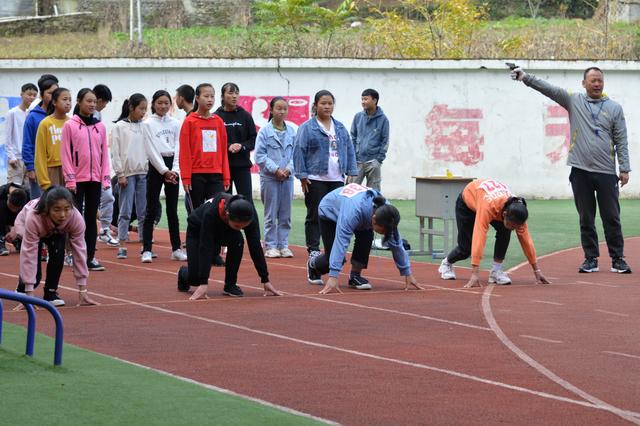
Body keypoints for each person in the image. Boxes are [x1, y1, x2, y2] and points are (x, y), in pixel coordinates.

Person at [511, 65, 631, 274]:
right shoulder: (574, 101)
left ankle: (618, 259)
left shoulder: (614, 108)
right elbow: (549, 89)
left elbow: (621, 139)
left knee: (611, 217)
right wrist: (525, 77)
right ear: (583, 83)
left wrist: (625, 168)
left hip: (606, 172)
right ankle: (590, 259)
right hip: (580, 171)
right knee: (586, 217)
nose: (596, 84)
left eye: (599, 80)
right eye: (592, 80)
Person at [306, 183, 421, 294]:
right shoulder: (352, 212)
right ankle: (313, 264)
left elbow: (396, 243)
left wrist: (407, 272)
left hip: (360, 213)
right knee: (334, 258)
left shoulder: (387, 212)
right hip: (329, 212)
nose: (384, 234)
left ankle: (355, 276)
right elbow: (341, 242)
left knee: (366, 239)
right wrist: (333, 276)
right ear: (374, 219)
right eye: (382, 231)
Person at [293, 90, 358, 283]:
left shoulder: (339, 127)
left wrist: (352, 172)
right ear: (315, 105)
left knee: (337, 217)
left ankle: (332, 251)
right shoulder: (307, 127)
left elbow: (349, 149)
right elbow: (299, 150)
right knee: (315, 215)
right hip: (315, 178)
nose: (327, 106)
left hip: (337, 178)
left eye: (330, 103)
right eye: (323, 103)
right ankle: (313, 252)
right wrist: (302, 176)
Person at [437, 178, 551, 288]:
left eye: (515, 227)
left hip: (493, 203)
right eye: (512, 225)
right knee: (466, 248)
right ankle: (446, 263)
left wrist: (536, 270)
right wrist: (475, 274)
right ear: (505, 214)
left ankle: (496, 271)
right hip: (468, 203)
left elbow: (526, 240)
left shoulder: (517, 212)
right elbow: (479, 234)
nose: (513, 229)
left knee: (505, 231)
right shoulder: (489, 207)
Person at [178, 193, 282, 299]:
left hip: (225, 228)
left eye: (243, 226)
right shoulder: (211, 213)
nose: (240, 228)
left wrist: (265, 279)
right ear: (228, 215)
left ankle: (230, 285)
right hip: (197, 230)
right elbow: (206, 247)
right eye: (237, 225)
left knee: (238, 241)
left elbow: (255, 246)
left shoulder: (250, 215)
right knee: (196, 279)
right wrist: (204, 283)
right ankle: (184, 273)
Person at [9, 186, 98, 307]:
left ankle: (50, 292)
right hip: (27, 225)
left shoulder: (75, 218)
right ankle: (22, 289)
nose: (62, 215)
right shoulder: (33, 216)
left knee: (58, 252)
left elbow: (80, 251)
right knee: (35, 266)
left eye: (67, 209)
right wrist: (29, 295)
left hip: (55, 230)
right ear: (47, 209)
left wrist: (83, 290)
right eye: (57, 209)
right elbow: (29, 255)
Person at [62, 88, 111, 272]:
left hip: (95, 179)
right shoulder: (70, 125)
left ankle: (89, 257)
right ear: (79, 102)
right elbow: (66, 153)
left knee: (91, 219)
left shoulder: (100, 127)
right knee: (74, 219)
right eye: (88, 101)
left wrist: (105, 177)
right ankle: (71, 254)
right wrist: (70, 179)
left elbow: (104, 154)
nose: (92, 104)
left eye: (94, 102)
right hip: (76, 181)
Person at [141, 90, 185, 263]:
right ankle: (146, 250)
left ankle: (176, 249)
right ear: (153, 104)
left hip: (173, 166)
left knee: (172, 210)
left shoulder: (176, 123)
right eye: (159, 103)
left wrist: (174, 169)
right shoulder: (147, 124)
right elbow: (150, 149)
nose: (163, 106)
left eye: (166, 103)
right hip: (156, 166)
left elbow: (178, 145)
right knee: (151, 209)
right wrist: (163, 170)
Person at [255, 97, 296, 258]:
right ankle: (271, 245)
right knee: (270, 214)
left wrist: (288, 170)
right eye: (278, 108)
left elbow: (296, 155)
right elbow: (260, 156)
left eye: (284, 108)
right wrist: (276, 169)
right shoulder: (264, 131)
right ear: (271, 110)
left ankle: (283, 245)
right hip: (270, 178)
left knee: (286, 214)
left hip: (288, 178)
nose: (282, 111)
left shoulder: (292, 131)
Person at [179, 83, 230, 209]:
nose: (210, 99)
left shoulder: (218, 121)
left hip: (216, 175)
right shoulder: (189, 121)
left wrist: (226, 176)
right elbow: (184, 152)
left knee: (216, 212)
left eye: (212, 96)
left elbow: (223, 151)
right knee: (197, 214)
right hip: (196, 176)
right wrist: (186, 177)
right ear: (197, 98)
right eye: (206, 96)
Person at [110, 93, 149, 260]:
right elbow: (116, 152)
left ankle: (144, 244)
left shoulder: (145, 126)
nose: (143, 112)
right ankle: (122, 244)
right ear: (131, 107)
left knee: (143, 210)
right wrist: (120, 174)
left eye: (145, 109)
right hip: (127, 174)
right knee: (125, 210)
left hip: (143, 173)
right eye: (141, 108)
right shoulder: (119, 126)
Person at [215, 82, 257, 201]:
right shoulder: (216, 117)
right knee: (223, 201)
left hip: (242, 166)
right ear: (222, 96)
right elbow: (214, 142)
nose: (234, 96)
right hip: (222, 168)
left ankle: (249, 220)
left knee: (246, 200)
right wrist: (228, 146)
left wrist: (242, 146)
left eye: (236, 93)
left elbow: (253, 139)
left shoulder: (246, 116)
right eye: (230, 93)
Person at [22, 74, 59, 199]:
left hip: (57, 169)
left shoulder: (61, 117)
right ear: (42, 95)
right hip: (39, 170)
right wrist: (31, 168)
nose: (53, 96)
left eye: (56, 92)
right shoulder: (33, 117)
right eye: (50, 93)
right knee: (39, 204)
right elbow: (27, 144)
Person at [92, 83, 119, 247]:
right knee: (84, 203)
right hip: (86, 168)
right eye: (105, 103)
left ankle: (104, 230)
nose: (104, 106)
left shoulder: (98, 117)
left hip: (100, 165)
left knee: (108, 196)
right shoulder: (78, 118)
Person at [349, 88, 390, 192]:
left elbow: (385, 141)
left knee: (374, 193)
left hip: (373, 162)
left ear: (375, 100)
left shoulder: (383, 119)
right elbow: (352, 137)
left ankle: (374, 209)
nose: (363, 102)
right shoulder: (358, 117)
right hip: (357, 161)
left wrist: (378, 160)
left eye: (366, 99)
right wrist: (353, 156)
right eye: (362, 99)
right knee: (350, 190)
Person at [34, 87, 72, 191]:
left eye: (70, 100)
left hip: (70, 171)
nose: (68, 103)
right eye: (64, 99)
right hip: (52, 170)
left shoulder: (72, 123)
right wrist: (44, 182)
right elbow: (40, 155)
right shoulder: (45, 124)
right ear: (54, 102)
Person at [5, 83, 38, 186]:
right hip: (16, 159)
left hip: (30, 160)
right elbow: (8, 137)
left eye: (34, 95)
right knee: (14, 190)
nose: (32, 97)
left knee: (29, 192)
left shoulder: (33, 115)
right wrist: (11, 156)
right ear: (22, 94)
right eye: (29, 94)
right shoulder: (12, 113)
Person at [0, 183, 29, 255]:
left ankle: (20, 240)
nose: (13, 210)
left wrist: (17, 229)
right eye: (11, 206)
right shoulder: (1, 192)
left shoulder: (29, 195)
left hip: (19, 218)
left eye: (15, 208)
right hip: (3, 216)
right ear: (8, 196)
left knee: (30, 212)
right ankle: (0, 240)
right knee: (1, 204)